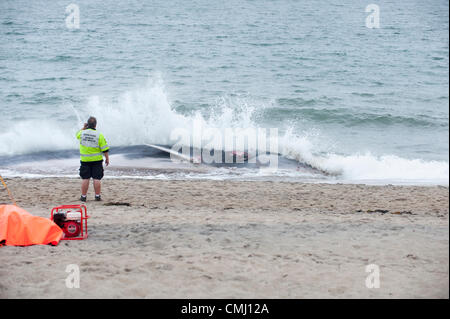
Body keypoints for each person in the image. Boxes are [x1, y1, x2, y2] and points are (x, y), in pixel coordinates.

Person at [76, 116, 110, 202]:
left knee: (85, 178)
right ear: (95, 125)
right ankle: (97, 196)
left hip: (85, 160)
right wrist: (107, 158)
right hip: (97, 160)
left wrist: (83, 128)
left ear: (88, 124)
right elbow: (104, 149)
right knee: (97, 178)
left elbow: (77, 135)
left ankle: (83, 197)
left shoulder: (82, 133)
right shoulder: (99, 135)